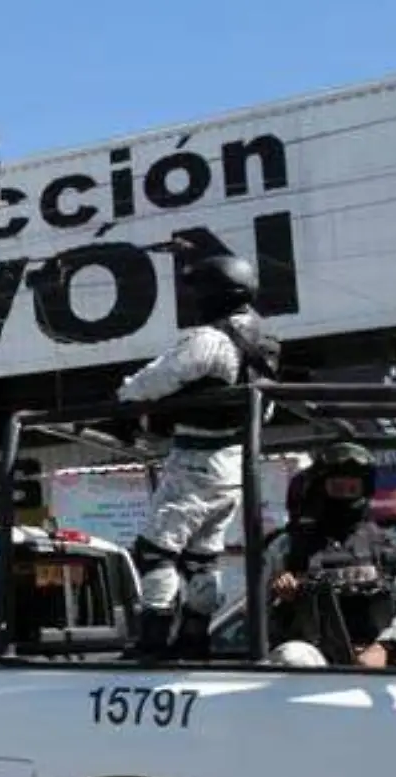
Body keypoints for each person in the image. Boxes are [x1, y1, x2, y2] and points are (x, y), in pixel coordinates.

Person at [116, 253, 282, 656]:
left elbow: (151, 382)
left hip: (197, 460)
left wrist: (123, 397)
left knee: (156, 552)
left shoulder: (210, 340)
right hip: (232, 464)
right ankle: (195, 635)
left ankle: (153, 638)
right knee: (202, 558)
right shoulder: (264, 341)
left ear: (213, 294)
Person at [262, 442, 396, 667]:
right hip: (316, 665)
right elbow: (256, 614)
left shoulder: (387, 546)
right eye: (337, 488)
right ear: (319, 488)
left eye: (352, 489)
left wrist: (385, 647)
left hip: (386, 664)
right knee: (292, 657)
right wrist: (281, 596)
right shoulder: (286, 546)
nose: (345, 497)